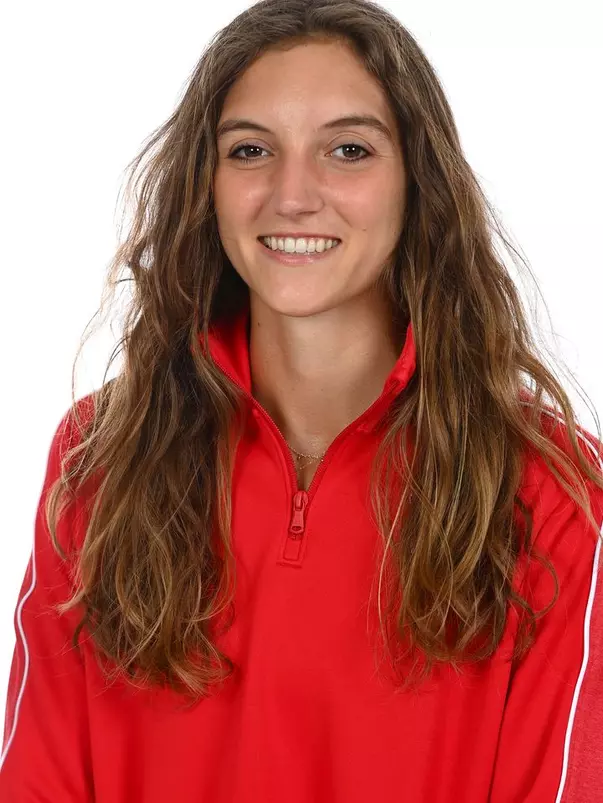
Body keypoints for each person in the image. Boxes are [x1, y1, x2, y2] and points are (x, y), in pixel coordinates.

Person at [1, 0, 602, 800]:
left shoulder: (549, 486)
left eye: (347, 150)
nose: (292, 194)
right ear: (205, 185)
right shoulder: (100, 454)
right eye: (250, 150)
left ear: (416, 181)